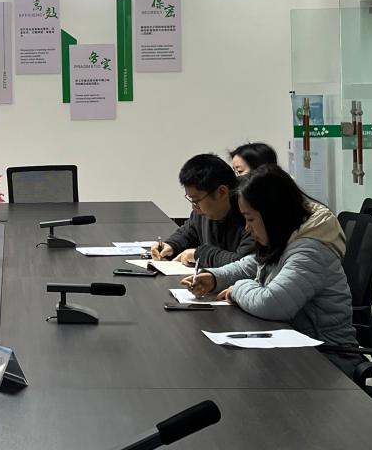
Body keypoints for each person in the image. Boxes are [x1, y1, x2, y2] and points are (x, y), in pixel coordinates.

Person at [182, 164, 360, 375]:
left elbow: (271, 304)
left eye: (250, 219)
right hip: (296, 350)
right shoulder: (285, 239)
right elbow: (250, 264)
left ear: (272, 214)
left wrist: (238, 288)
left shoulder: (310, 251)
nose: (247, 228)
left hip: (327, 360)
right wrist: (214, 277)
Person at [229, 141, 344, 258]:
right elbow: (255, 261)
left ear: (260, 172)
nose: (235, 179)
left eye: (240, 172)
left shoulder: (303, 229)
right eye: (234, 172)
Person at [150, 154, 255, 269]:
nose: (194, 207)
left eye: (196, 200)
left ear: (222, 192)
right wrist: (171, 245)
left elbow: (245, 263)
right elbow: (188, 232)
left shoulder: (251, 213)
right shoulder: (204, 211)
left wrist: (199, 254)